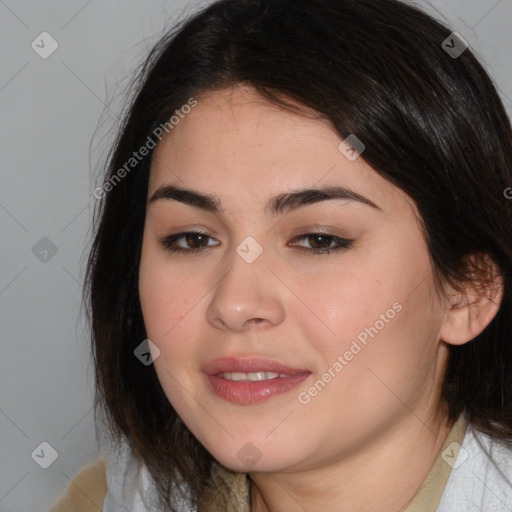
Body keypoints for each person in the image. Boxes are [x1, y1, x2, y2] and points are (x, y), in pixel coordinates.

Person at [48, 0, 512, 510]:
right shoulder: (99, 498)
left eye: (318, 239)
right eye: (192, 238)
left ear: (468, 290)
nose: (236, 303)